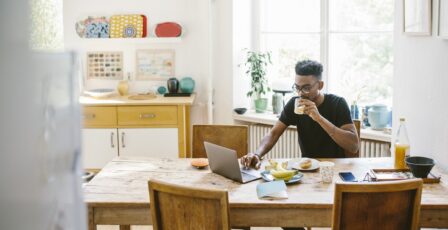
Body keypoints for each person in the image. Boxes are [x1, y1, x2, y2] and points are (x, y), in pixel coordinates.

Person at [241, 60, 359, 170]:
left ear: (320, 85)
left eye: (306, 88)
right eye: (297, 87)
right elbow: (273, 134)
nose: (300, 93)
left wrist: (319, 118)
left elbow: (353, 146)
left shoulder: (338, 104)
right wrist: (257, 154)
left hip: (334, 168)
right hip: (307, 168)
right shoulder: (294, 103)